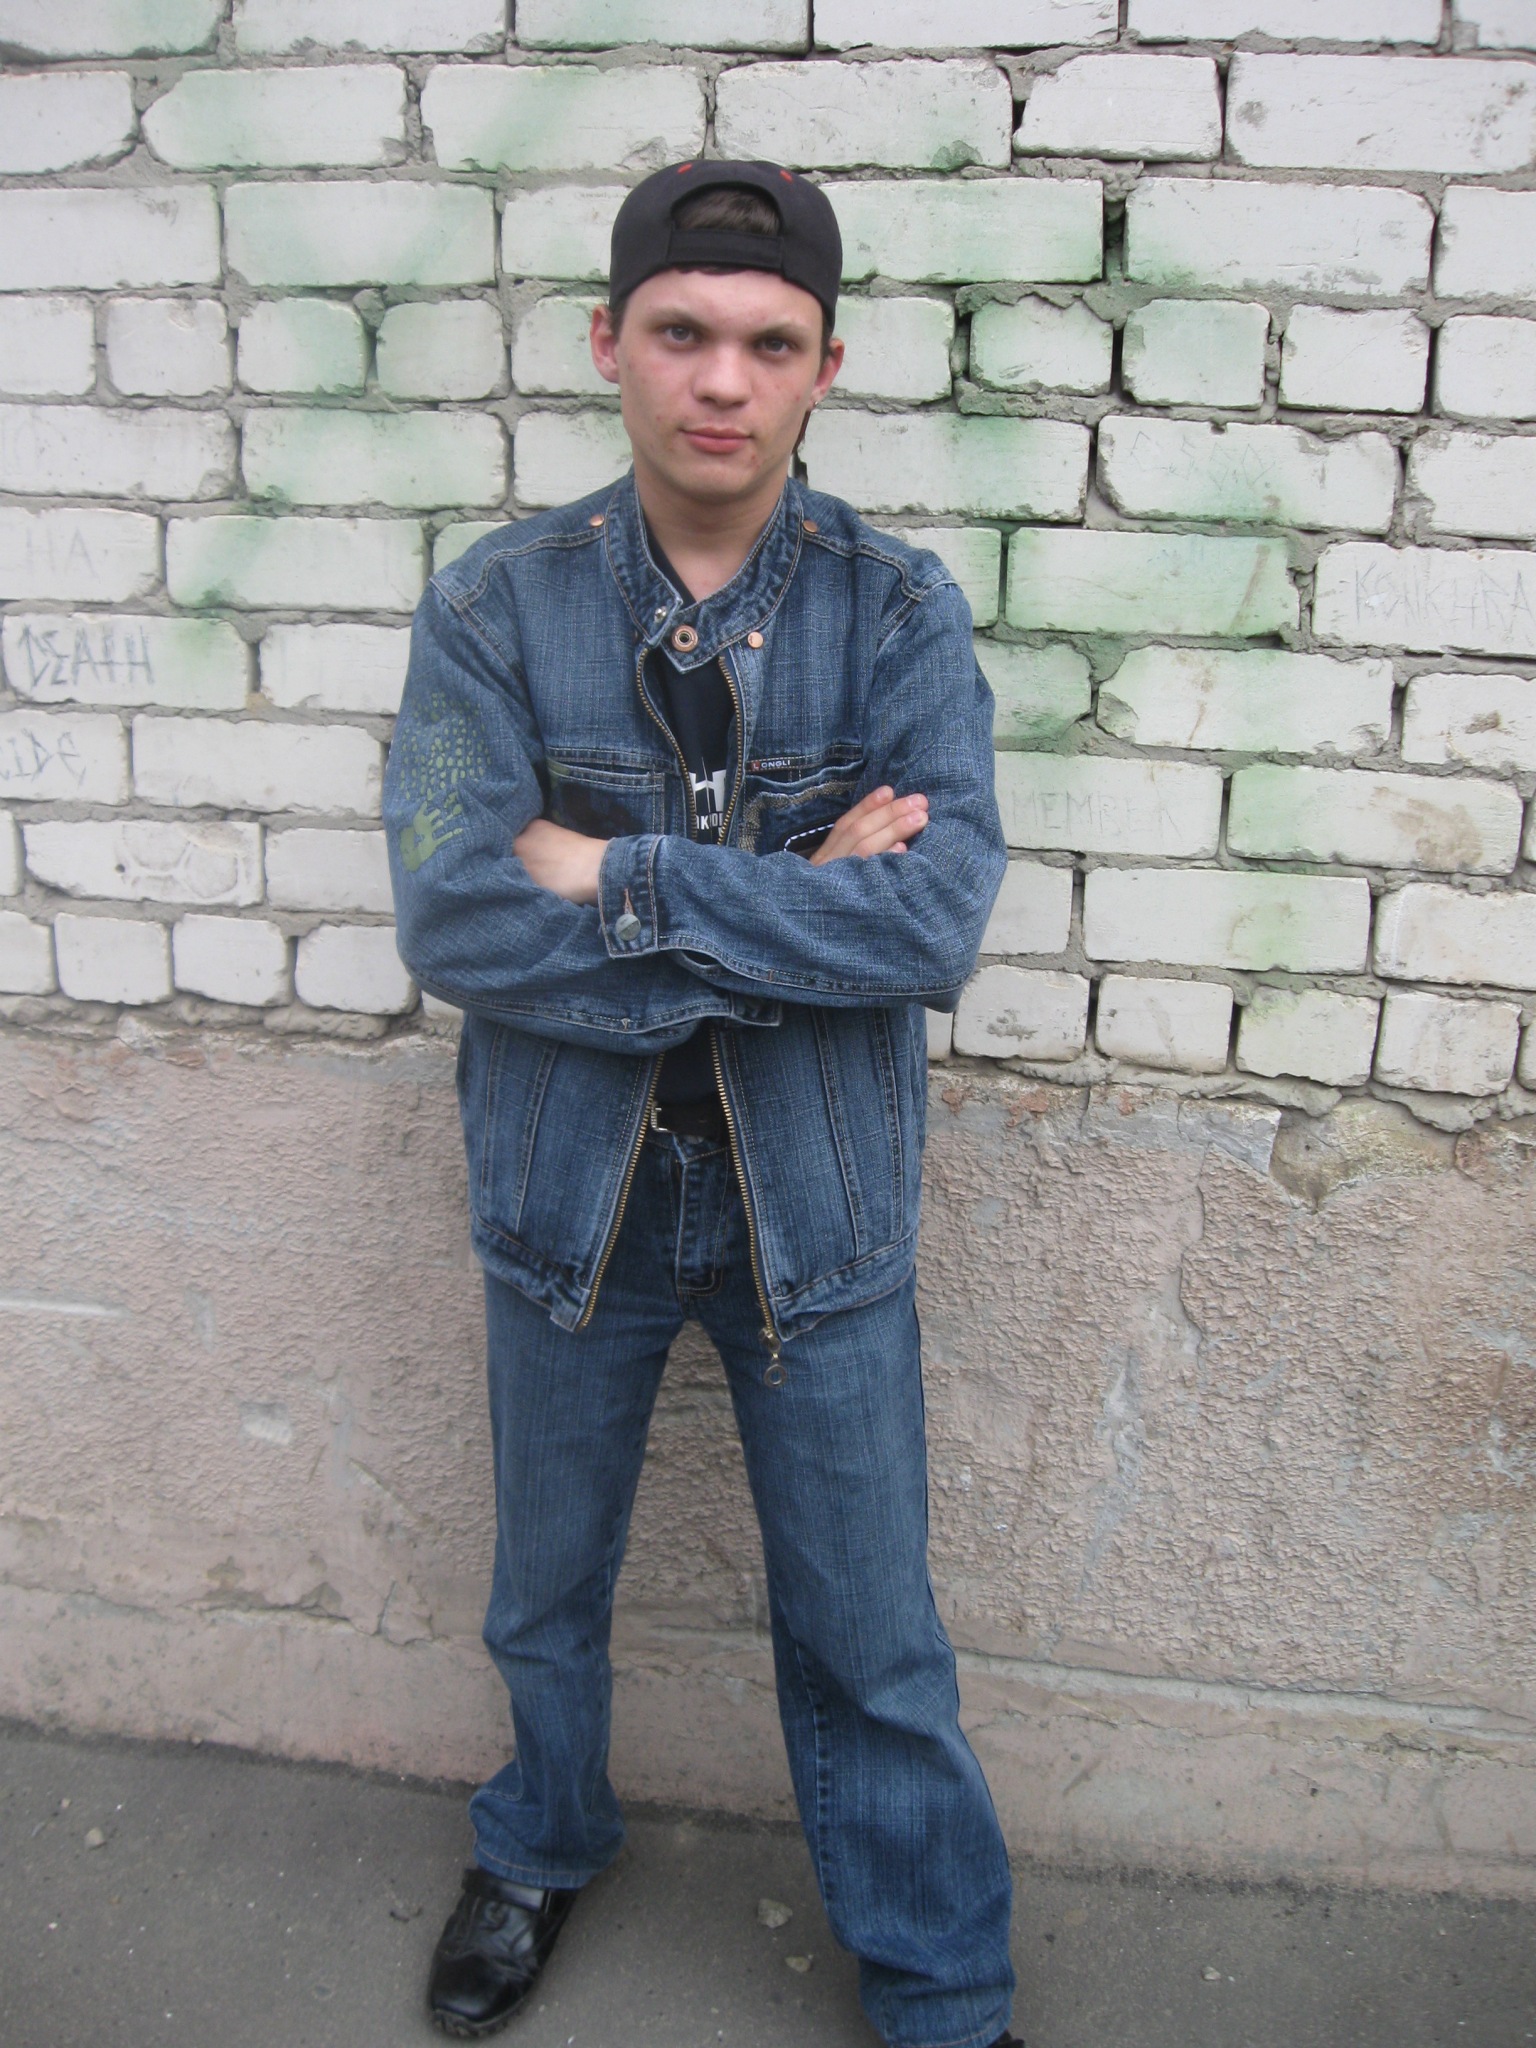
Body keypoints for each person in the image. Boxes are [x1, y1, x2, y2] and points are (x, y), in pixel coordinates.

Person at [385, 158, 1020, 2048]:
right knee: (544, 1589)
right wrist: (794, 898)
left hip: (814, 1204)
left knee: (873, 1635)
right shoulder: (494, 608)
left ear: (828, 366)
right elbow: (457, 917)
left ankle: (941, 1984)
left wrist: (615, 870)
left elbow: (932, 923)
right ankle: (539, 1841)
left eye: (769, 342)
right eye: (680, 332)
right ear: (610, 343)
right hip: (566, 1193)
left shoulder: (897, 614)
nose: (721, 380)